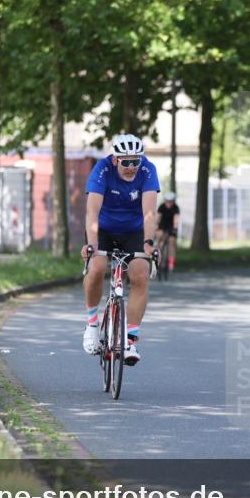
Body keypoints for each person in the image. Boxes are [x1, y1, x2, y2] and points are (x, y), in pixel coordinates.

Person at [81, 134, 159, 365]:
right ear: (115, 160)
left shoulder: (147, 170)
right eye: (126, 162)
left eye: (136, 161)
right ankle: (92, 324)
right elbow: (92, 212)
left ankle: (130, 340)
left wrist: (149, 244)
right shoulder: (102, 170)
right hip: (103, 229)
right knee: (97, 267)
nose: (132, 167)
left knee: (140, 274)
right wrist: (92, 245)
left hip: (134, 231)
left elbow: (149, 213)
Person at [156, 191, 180, 272]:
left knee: (171, 242)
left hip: (171, 227)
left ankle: (171, 263)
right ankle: (158, 259)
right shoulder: (161, 207)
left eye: (171, 201)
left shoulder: (176, 208)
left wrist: (175, 228)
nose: (169, 203)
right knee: (159, 239)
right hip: (162, 226)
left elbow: (176, 220)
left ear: (173, 201)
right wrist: (156, 227)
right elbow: (158, 218)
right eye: (167, 201)